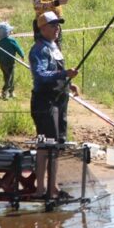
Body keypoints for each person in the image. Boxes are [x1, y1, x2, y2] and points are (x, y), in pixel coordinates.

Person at [29, 11, 79, 198]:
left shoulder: (54, 47)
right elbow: (40, 75)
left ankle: (53, 187)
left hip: (59, 100)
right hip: (44, 102)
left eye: (58, 25)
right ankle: (40, 188)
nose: (57, 28)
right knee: (45, 144)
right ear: (42, 28)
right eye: (53, 25)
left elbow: (55, 72)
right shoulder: (39, 49)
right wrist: (63, 74)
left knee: (57, 144)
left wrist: (69, 84)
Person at [0, 21, 25, 99]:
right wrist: (22, 55)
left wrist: (0, 63)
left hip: (2, 64)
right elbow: (17, 48)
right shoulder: (11, 40)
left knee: (7, 77)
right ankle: (5, 92)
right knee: (10, 78)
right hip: (10, 63)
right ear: (7, 32)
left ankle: (11, 91)